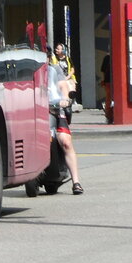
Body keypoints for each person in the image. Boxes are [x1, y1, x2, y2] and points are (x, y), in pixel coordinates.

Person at [48, 58, 83, 195]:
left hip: (55, 110)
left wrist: (64, 99)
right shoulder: (29, 70)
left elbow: (63, 86)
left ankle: (76, 182)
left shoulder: (55, 69)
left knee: (66, 141)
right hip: (36, 112)